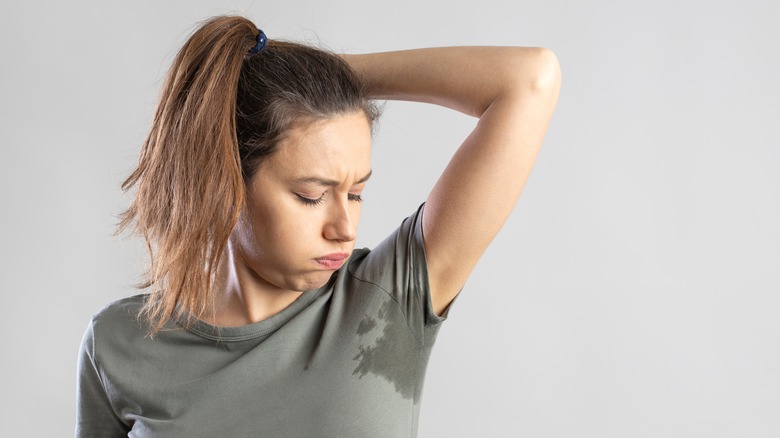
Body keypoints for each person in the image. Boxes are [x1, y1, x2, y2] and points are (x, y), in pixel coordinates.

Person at [76, 14, 560, 438]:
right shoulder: (119, 344)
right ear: (223, 183)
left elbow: (530, 78)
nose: (344, 228)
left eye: (356, 194)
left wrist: (314, 74)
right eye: (312, 196)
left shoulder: (391, 298)